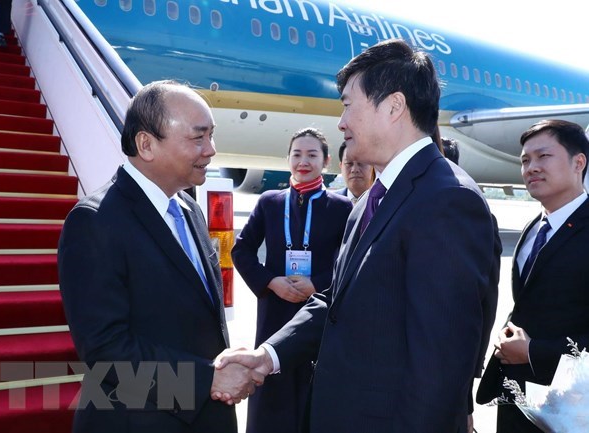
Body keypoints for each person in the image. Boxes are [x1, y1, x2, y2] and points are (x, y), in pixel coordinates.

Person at [216, 39, 499, 433]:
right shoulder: (373, 199)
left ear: (394, 106)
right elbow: (337, 301)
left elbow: (440, 366)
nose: (341, 122)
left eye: (348, 104)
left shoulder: (447, 200)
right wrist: (269, 356)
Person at [58, 80, 261, 433]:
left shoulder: (189, 209)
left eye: (211, 136)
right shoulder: (94, 222)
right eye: (198, 138)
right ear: (146, 145)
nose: (211, 150)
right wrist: (206, 382)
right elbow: (107, 352)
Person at [231, 127, 353, 433]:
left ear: (326, 162)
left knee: (313, 396)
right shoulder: (269, 202)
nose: (303, 161)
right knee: (272, 392)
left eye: (312, 155)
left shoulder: (342, 208)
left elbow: (351, 262)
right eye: (297, 154)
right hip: (274, 311)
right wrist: (271, 281)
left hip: (318, 314)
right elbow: (241, 250)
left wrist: (318, 284)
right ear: (287, 159)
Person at [476, 119, 589, 433]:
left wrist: (533, 352)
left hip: (573, 409)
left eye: (543, 157)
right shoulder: (534, 228)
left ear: (579, 162)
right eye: (525, 160)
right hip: (517, 398)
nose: (531, 167)